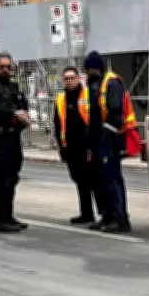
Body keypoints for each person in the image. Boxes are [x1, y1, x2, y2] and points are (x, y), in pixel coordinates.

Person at [83, 51, 141, 233]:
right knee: (101, 180)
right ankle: (107, 216)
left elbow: (116, 113)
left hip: (110, 138)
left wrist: (104, 135)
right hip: (99, 139)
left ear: (95, 68)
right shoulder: (96, 84)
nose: (87, 74)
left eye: (89, 70)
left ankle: (120, 218)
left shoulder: (111, 82)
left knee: (112, 179)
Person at [0, 51, 30, 233]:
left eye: (8, 67)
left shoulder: (15, 87)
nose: (5, 70)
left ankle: (8, 215)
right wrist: (12, 114)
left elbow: (22, 105)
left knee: (12, 177)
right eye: (1, 66)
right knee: (1, 179)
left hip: (13, 138)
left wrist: (22, 116)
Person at [55, 66, 105, 224]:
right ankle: (86, 213)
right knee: (79, 180)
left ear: (78, 78)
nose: (69, 81)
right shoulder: (61, 99)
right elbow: (57, 124)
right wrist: (61, 146)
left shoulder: (88, 94)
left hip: (87, 146)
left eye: (72, 78)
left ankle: (104, 214)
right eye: (66, 78)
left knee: (94, 180)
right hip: (70, 147)